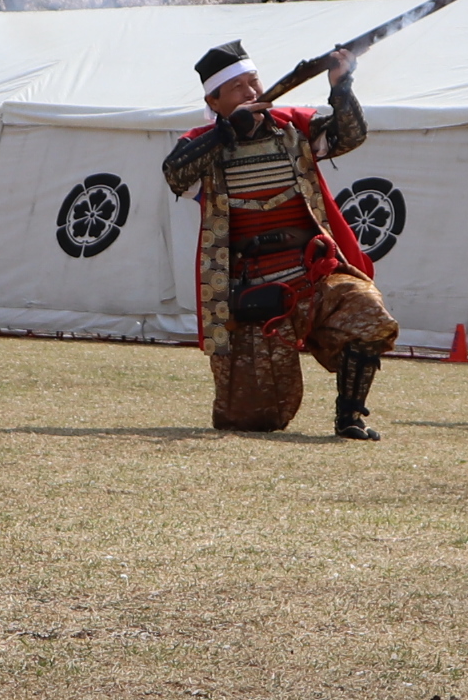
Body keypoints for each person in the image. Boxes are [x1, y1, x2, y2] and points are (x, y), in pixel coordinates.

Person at [161, 40, 397, 438]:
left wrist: (341, 85)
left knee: (368, 312)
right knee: (252, 418)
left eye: (254, 82)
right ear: (213, 100)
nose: (252, 92)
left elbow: (348, 136)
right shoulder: (200, 142)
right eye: (238, 87)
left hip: (315, 274)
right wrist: (225, 133)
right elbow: (174, 174)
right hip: (252, 289)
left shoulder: (293, 125)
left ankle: (350, 417)